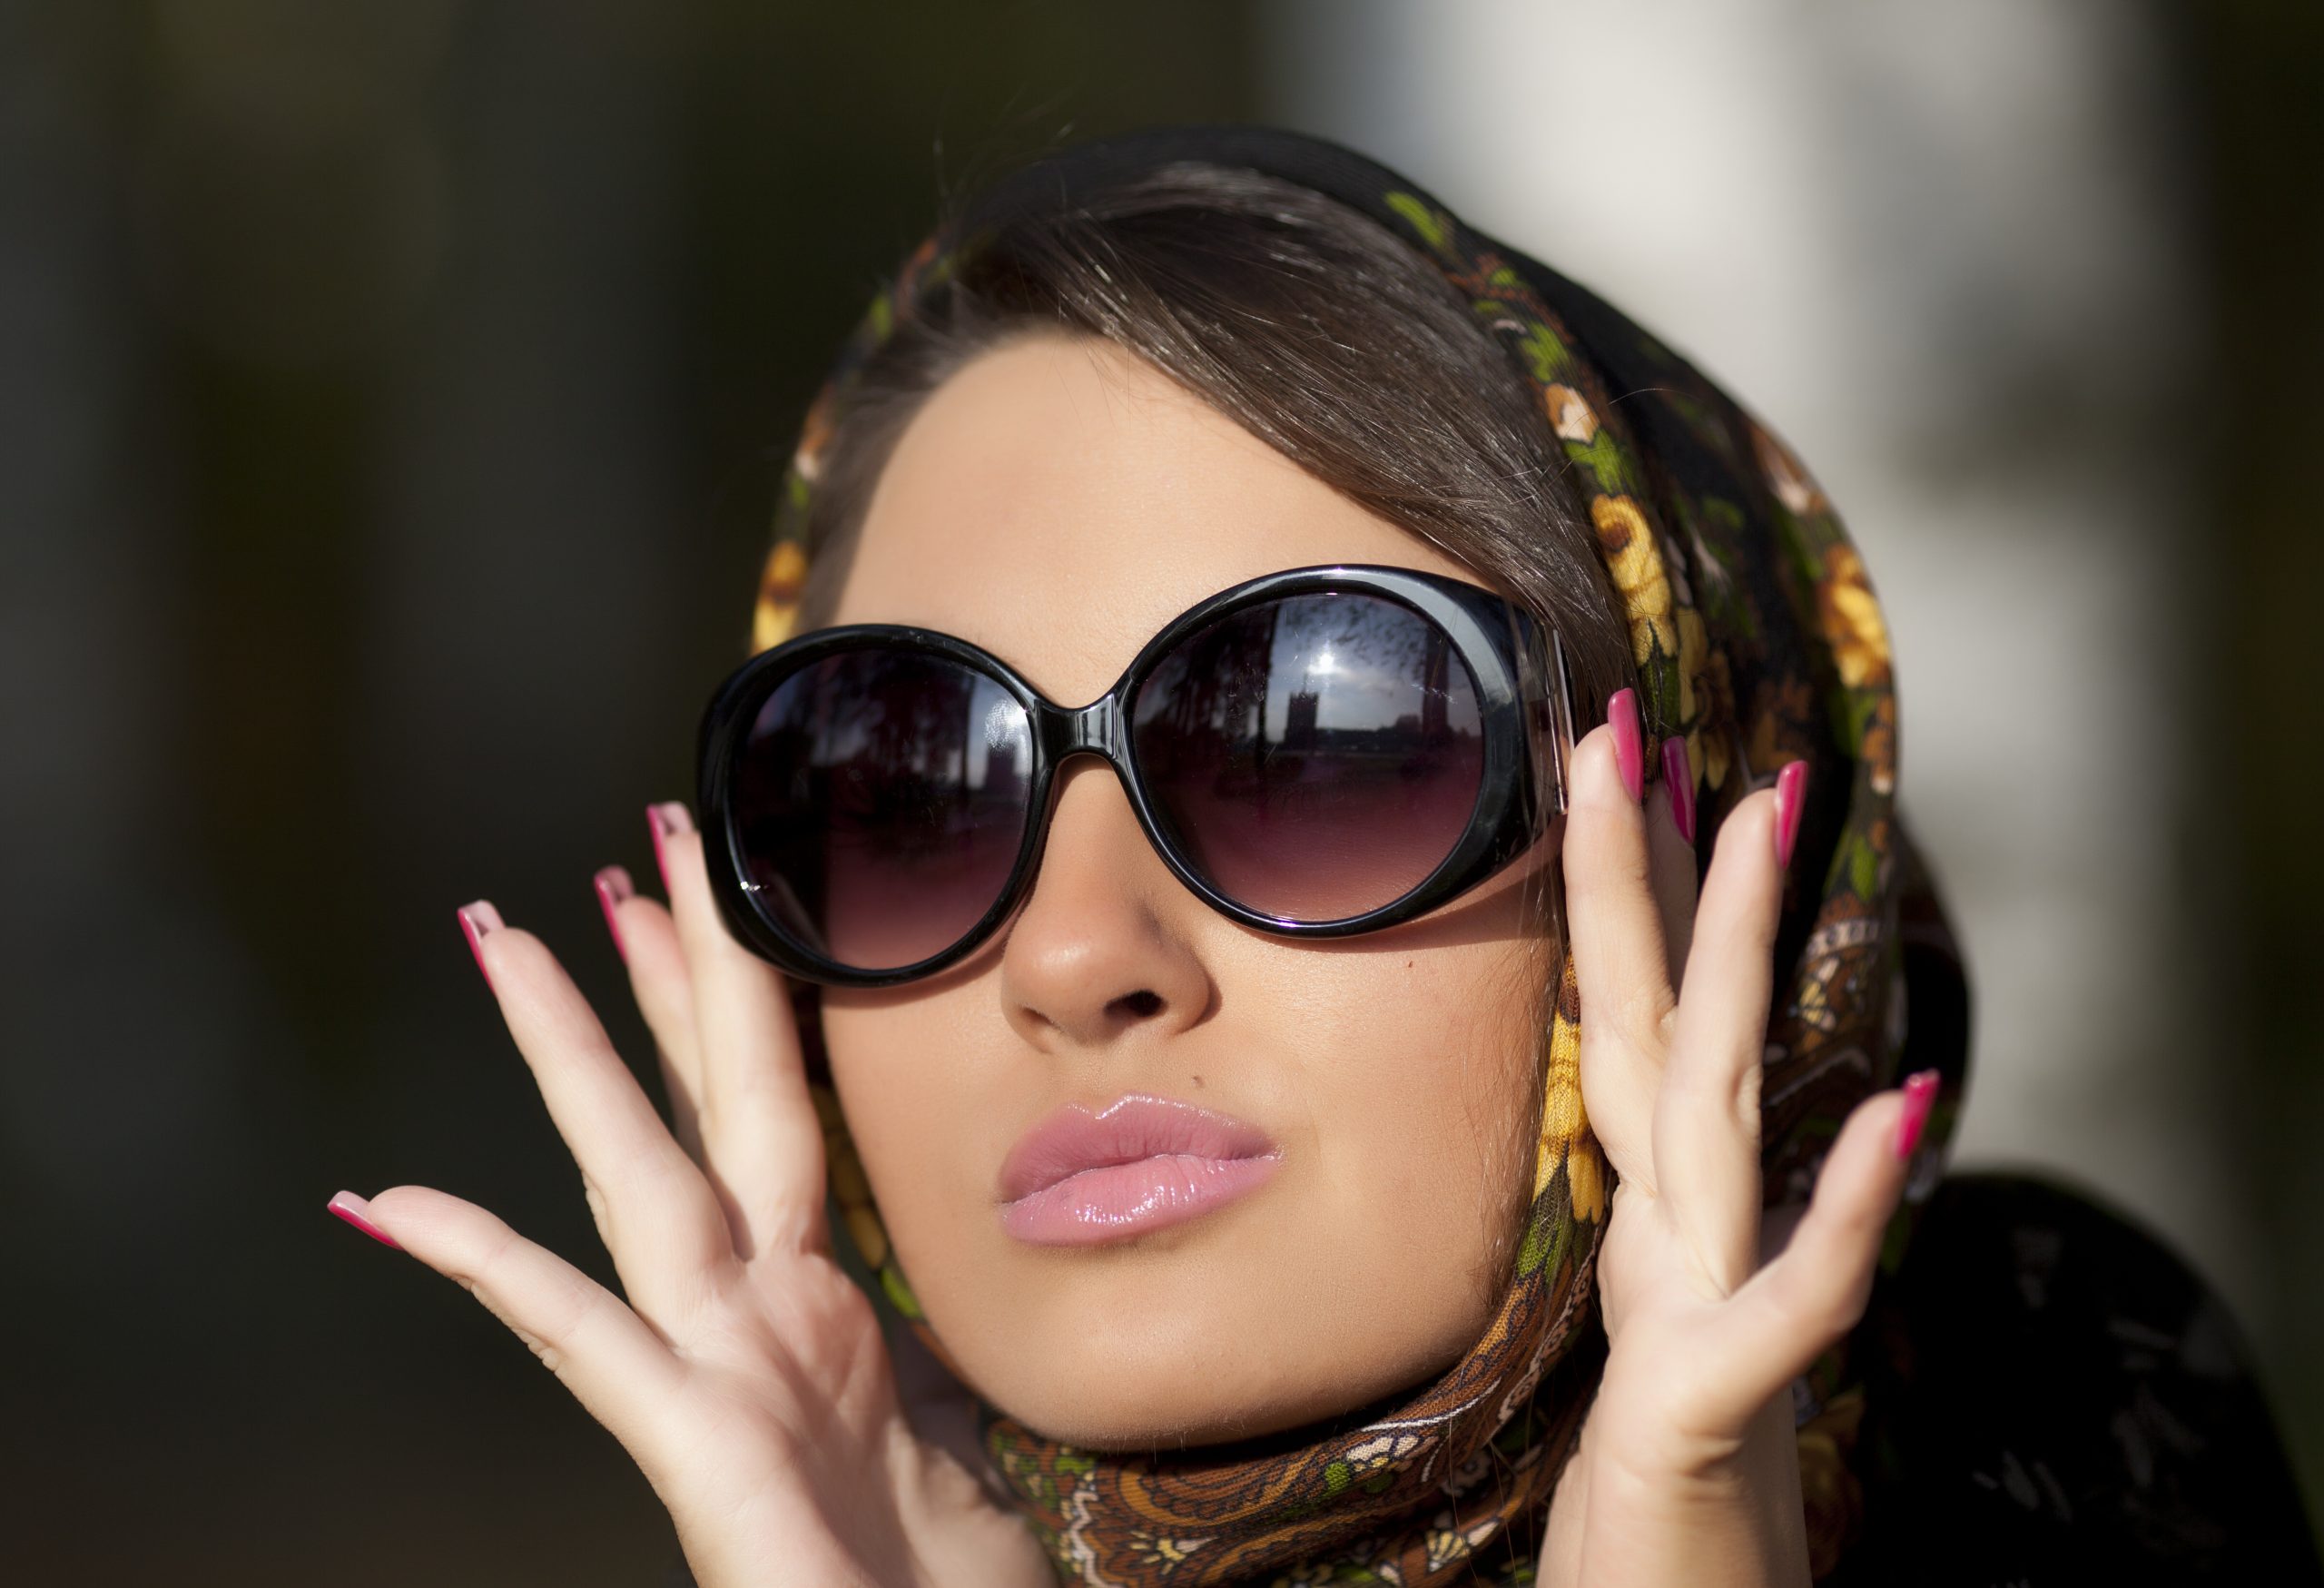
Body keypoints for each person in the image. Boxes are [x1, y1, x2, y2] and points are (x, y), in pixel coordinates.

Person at [322, 126, 2320, 1584]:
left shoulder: (2077, 1427)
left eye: (1322, 732)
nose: (1072, 952)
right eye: (906, 778)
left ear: (1693, 802)